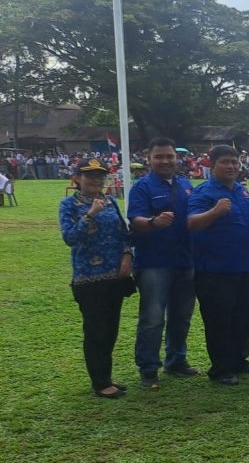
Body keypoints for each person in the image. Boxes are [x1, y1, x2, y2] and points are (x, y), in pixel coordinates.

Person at [59, 158, 134, 398]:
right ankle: (100, 382)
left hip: (114, 276)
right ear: (77, 178)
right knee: (96, 330)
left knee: (110, 329)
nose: (95, 180)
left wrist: (126, 254)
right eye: (89, 175)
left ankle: (106, 376)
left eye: (100, 176)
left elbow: (124, 233)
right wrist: (90, 214)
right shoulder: (69, 205)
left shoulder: (110, 201)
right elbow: (70, 238)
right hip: (88, 279)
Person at [127, 137, 198, 389]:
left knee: (182, 315)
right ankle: (148, 368)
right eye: (159, 157)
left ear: (176, 158)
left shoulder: (187, 185)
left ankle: (176, 360)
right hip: (154, 262)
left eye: (170, 156)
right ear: (149, 159)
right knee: (153, 317)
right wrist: (153, 222)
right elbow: (135, 219)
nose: (166, 161)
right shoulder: (142, 187)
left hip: (185, 260)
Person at [187, 145, 249, 386]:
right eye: (225, 162)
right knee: (219, 320)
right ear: (212, 164)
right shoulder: (203, 193)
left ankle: (239, 360)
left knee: (244, 317)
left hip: (242, 266)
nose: (231, 166)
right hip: (214, 269)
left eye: (234, 162)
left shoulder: (242, 191)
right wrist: (215, 212)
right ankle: (221, 368)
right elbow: (192, 223)